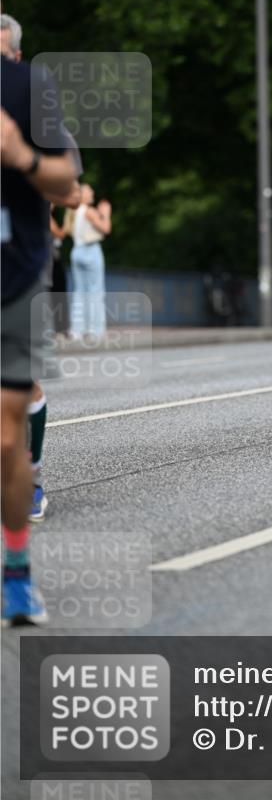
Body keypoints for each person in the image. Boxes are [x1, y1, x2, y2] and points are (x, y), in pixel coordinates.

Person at [1, 55, 77, 625]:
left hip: (13, 277)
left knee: (7, 442)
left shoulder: (27, 87)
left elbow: (67, 184)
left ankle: (16, 574)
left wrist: (19, 154)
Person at [65, 184, 112, 338]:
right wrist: (105, 213)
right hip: (90, 250)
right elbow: (106, 229)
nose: (92, 193)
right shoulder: (89, 211)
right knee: (95, 290)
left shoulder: (72, 211)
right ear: (82, 195)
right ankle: (94, 329)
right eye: (89, 191)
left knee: (79, 291)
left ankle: (77, 329)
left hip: (76, 250)